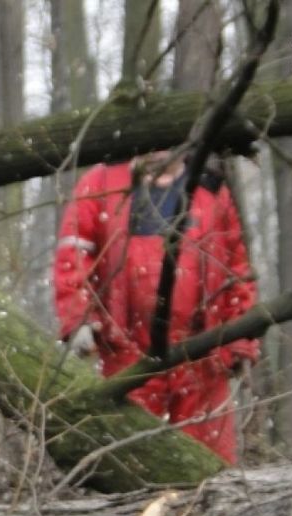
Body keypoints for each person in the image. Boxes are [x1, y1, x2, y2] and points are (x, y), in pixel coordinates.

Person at [53, 152, 260, 463]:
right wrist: (78, 318)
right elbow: (74, 254)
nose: (159, 150)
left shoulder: (211, 187)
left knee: (207, 466)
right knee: (136, 460)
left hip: (202, 357)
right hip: (128, 356)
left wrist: (241, 340)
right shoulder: (102, 182)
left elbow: (237, 269)